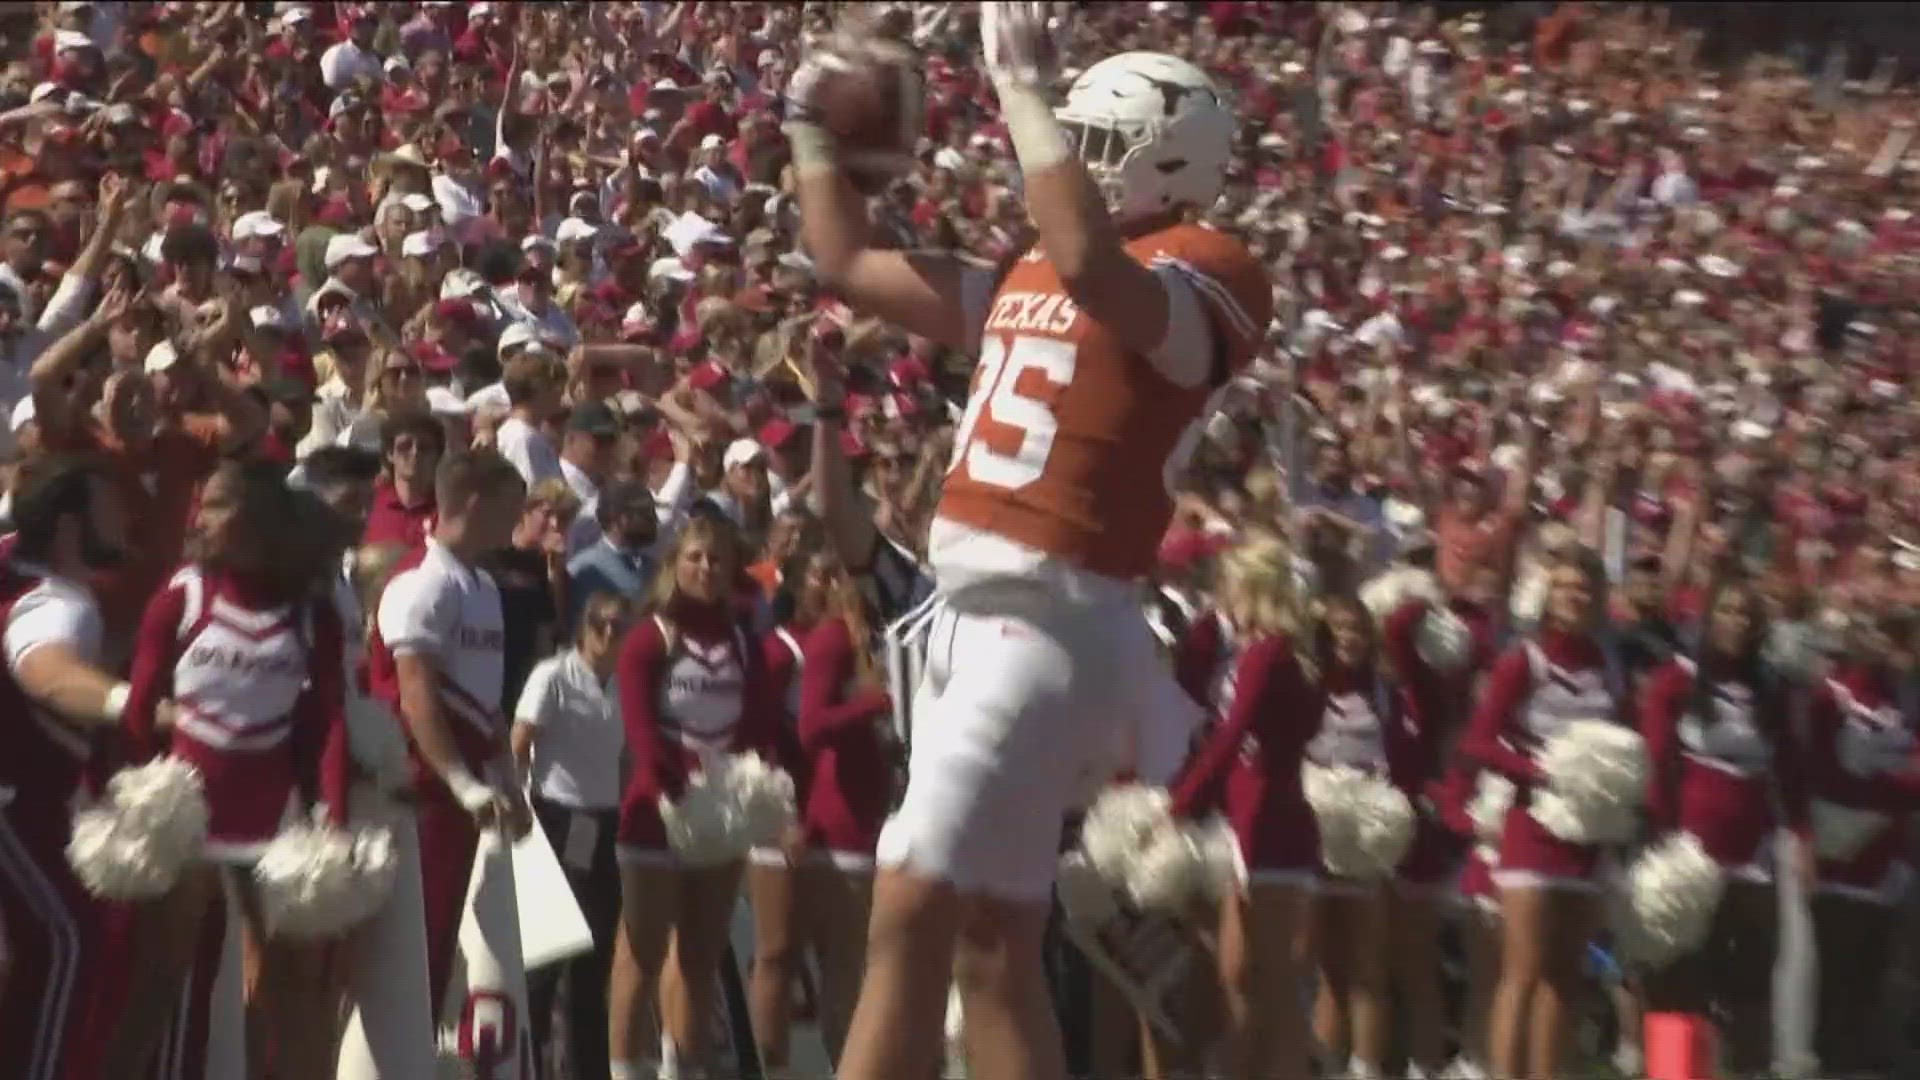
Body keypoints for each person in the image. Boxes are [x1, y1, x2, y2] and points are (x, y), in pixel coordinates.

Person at [786, 9, 1270, 1078]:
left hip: (1050, 620)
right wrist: (810, 128)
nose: (1072, 159)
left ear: (1174, 163)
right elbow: (843, 257)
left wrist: (1022, 96)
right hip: (972, 622)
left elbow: (1100, 269)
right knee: (991, 946)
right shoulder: (1025, 272)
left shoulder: (1212, 266)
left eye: (1099, 142)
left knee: (907, 908)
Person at [100, 459, 352, 1080]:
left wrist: (333, 814)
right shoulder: (184, 594)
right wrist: (149, 797)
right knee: (158, 979)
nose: (198, 517)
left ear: (254, 517)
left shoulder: (308, 612)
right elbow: (139, 707)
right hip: (188, 817)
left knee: (290, 986)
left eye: (213, 505)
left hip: (274, 820)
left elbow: (328, 721)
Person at [368, 448, 534, 1017]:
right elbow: (416, 691)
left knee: (439, 945)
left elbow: (486, 702)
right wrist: (462, 781)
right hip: (419, 788)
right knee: (408, 945)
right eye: (511, 508)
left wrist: (506, 779)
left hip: (462, 794)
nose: (519, 521)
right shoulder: (422, 580)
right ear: (472, 503)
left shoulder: (484, 586)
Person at [613, 513, 779, 1079]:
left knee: (701, 960)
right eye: (694, 558)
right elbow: (640, 730)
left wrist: (744, 792)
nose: (706, 568)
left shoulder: (742, 638)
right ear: (673, 566)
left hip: (721, 815)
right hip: (657, 812)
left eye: (717, 559)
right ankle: (624, 1070)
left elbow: (759, 724)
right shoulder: (648, 637)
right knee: (641, 956)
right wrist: (679, 792)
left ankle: (682, 1069)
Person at [1463, 545, 1625, 1080]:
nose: (1574, 597)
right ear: (1547, 596)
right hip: (1531, 827)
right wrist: (1542, 771)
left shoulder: (1607, 665)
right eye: (1564, 587)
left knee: (1565, 975)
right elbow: (1480, 741)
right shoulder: (1522, 660)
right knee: (1522, 974)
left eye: (1584, 588)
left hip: (1588, 834)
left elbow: (1622, 741)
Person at [1638, 575, 1811, 1073]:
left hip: (1752, 860)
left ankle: (1746, 1070)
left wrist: (1801, 837)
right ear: (1709, 616)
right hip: (1688, 854)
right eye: (1729, 611)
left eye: (1748, 616)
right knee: (1680, 981)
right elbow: (1655, 762)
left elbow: (1791, 774)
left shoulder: (1770, 690)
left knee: (1751, 983)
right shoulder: (1677, 678)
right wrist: (1661, 842)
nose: (1737, 623)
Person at [0, 451, 133, 1079]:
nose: (127, 519)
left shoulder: (14, 565)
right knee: (66, 943)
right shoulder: (57, 602)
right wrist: (136, 704)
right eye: (111, 509)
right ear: (72, 528)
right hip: (15, 805)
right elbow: (46, 672)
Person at [1168, 533, 1320, 1080]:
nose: (1221, 595)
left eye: (1230, 583)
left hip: (1270, 826)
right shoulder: (1259, 649)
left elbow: (1232, 737)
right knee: (1240, 977)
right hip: (1247, 821)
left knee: (1271, 984)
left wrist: (1175, 809)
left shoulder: (1270, 652)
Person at [513, 590, 632, 1080]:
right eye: (600, 624)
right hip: (561, 818)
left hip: (604, 822)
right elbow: (520, 742)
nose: (609, 634)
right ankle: (526, 1062)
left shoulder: (620, 686)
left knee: (595, 954)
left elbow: (623, 758)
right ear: (584, 627)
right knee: (549, 952)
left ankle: (586, 1069)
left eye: (619, 626)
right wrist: (520, 812)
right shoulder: (554, 676)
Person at [1807, 609, 1920, 1078]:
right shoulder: (1829, 697)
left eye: (1897, 637)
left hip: (1889, 862)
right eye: (1877, 630)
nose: (1887, 645)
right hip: (1839, 858)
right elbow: (1825, 778)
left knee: (1874, 974)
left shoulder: (1902, 702)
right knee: (1837, 976)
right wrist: (1893, 790)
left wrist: (1881, 787)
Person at [792, 548, 895, 1062]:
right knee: (845, 967)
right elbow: (811, 726)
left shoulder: (870, 637)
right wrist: (875, 704)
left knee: (859, 965)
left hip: (870, 812)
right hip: (840, 818)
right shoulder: (833, 638)